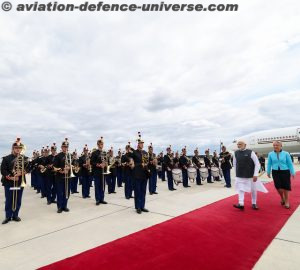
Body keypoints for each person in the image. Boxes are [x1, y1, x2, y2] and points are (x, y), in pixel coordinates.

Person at [1, 138, 29, 224]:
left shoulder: (25, 158)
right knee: (9, 200)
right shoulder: (6, 158)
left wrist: (22, 173)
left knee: (18, 199)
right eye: (16, 148)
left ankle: (15, 215)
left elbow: (29, 168)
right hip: (9, 182)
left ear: (21, 149)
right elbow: (3, 170)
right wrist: (11, 177)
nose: (18, 149)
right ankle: (8, 216)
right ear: (13, 148)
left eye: (19, 148)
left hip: (20, 182)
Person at [233, 140, 267, 210]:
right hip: (239, 175)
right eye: (238, 144)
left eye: (240, 144)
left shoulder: (251, 152)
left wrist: (255, 174)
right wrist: (236, 173)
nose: (238, 145)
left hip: (250, 175)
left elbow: (257, 164)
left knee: (253, 189)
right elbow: (234, 164)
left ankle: (254, 203)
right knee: (240, 189)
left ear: (245, 145)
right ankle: (241, 203)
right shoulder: (236, 153)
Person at [267, 141, 295, 209]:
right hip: (275, 171)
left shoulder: (286, 153)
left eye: (277, 145)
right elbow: (269, 163)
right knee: (278, 187)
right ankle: (282, 198)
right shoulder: (270, 154)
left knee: (286, 187)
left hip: (285, 171)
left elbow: (290, 163)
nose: (275, 146)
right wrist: (268, 171)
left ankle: (287, 201)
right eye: (274, 145)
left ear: (281, 146)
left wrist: (292, 172)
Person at [128, 132, 150, 214]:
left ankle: (142, 206)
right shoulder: (134, 152)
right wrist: (132, 162)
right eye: (140, 143)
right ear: (138, 144)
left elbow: (147, 161)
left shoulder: (145, 152)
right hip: (137, 174)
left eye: (142, 143)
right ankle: (138, 207)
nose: (142, 144)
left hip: (144, 174)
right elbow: (130, 160)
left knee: (143, 191)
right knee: (137, 191)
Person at [53, 138, 72, 213]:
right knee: (60, 192)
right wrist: (62, 170)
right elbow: (54, 167)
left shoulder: (69, 155)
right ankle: (59, 207)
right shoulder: (58, 156)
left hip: (68, 176)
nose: (65, 148)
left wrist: (70, 168)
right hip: (60, 177)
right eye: (64, 147)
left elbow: (72, 165)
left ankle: (65, 206)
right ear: (61, 147)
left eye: (66, 147)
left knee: (67, 192)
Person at [90, 137, 108, 205]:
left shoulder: (104, 152)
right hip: (97, 172)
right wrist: (98, 165)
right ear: (97, 145)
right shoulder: (94, 153)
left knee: (102, 186)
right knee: (97, 186)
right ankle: (97, 199)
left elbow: (107, 161)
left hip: (103, 172)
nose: (101, 145)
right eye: (100, 144)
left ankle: (102, 199)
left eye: (102, 144)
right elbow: (92, 162)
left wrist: (105, 164)